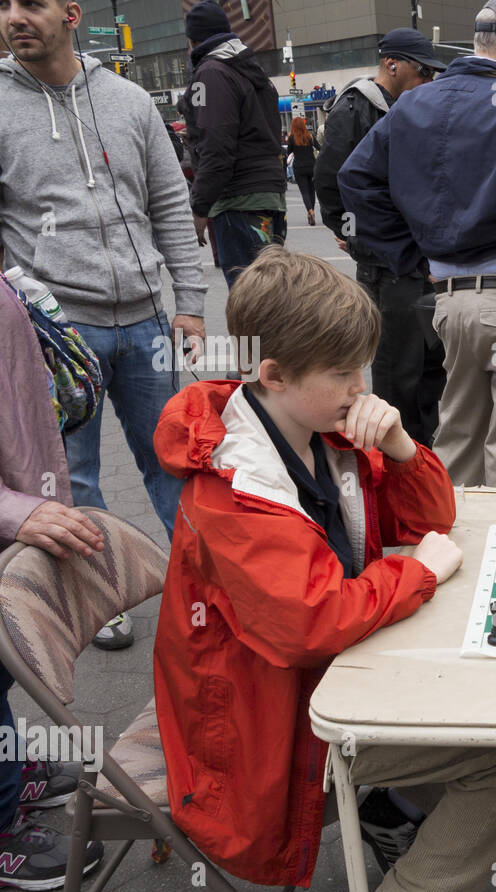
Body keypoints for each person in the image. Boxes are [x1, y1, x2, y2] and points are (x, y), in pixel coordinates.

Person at [151, 248, 496, 892]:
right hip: (264, 728)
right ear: (273, 375)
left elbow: (433, 516)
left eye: (362, 367)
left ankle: (389, 808)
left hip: (311, 686)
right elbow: (315, 620)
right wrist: (418, 576)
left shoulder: (311, 428)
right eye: (343, 373)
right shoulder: (232, 489)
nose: (359, 387)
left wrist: (399, 444)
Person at [0, 0, 206, 650]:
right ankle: (99, 598)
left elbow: (171, 198)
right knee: (72, 477)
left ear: (70, 13)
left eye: (29, 3)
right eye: (3, 5)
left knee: (172, 460)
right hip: (59, 336)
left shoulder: (127, 98)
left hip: (146, 320)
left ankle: (204, 586)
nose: (13, 17)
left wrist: (191, 300)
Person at [338, 0, 496, 489]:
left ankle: (451, 552)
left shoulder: (416, 102)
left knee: (459, 440)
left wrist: (414, 256)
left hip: (451, 302)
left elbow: (356, 178)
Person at [0, 278, 105, 890]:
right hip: (13, 506)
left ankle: (10, 773)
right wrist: (16, 511)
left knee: (2, 662)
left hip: (19, 493)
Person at [316, 29, 445, 448]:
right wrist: (351, 235)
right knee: (397, 372)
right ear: (393, 64)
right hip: (388, 266)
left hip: (413, 262)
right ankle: (391, 464)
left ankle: (422, 455)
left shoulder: (404, 107)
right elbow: (331, 179)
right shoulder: (357, 106)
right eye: (422, 70)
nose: (427, 80)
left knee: (428, 366)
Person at [179, 0, 287, 289]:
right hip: (267, 195)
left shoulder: (211, 73)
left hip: (238, 199)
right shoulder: (250, 70)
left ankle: (256, 338)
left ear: (193, 40)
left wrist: (200, 209)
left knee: (249, 301)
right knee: (271, 295)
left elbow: (216, 146)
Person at [287, 115, 318, 225]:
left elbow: (289, 152)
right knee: (311, 191)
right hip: (311, 166)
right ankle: (311, 212)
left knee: (304, 192)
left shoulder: (291, 138)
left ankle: (310, 211)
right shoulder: (310, 136)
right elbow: (320, 148)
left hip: (299, 167)